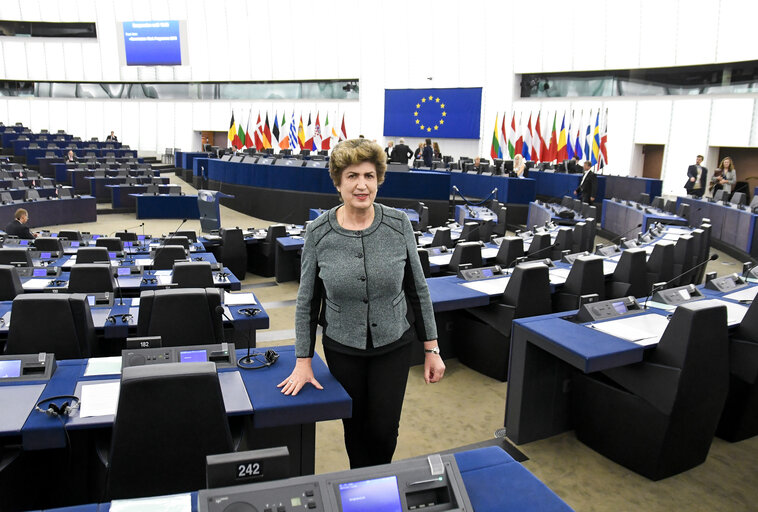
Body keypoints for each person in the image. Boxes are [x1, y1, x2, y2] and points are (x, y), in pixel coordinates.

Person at [279, 138, 445, 469]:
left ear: (379, 178)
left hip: (394, 343)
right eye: (352, 176)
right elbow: (308, 301)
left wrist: (432, 349)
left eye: (369, 175)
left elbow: (418, 290)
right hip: (343, 347)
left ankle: (378, 480)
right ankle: (361, 483)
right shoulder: (318, 232)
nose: (361, 185)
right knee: (354, 428)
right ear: (338, 181)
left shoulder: (399, 225)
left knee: (384, 430)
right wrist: (303, 360)